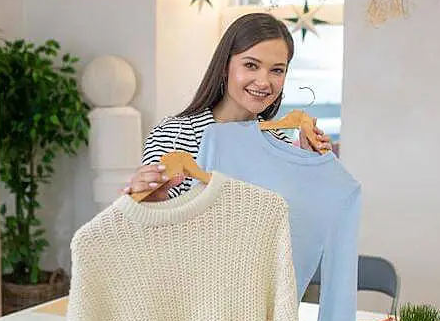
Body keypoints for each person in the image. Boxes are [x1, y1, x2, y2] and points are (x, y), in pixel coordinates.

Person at [124, 12, 332, 201]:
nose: (263, 81)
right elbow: (158, 217)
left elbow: (301, 220)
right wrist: (150, 198)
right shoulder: (177, 133)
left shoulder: (281, 144)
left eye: (277, 70)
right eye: (251, 65)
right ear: (225, 66)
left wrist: (311, 167)